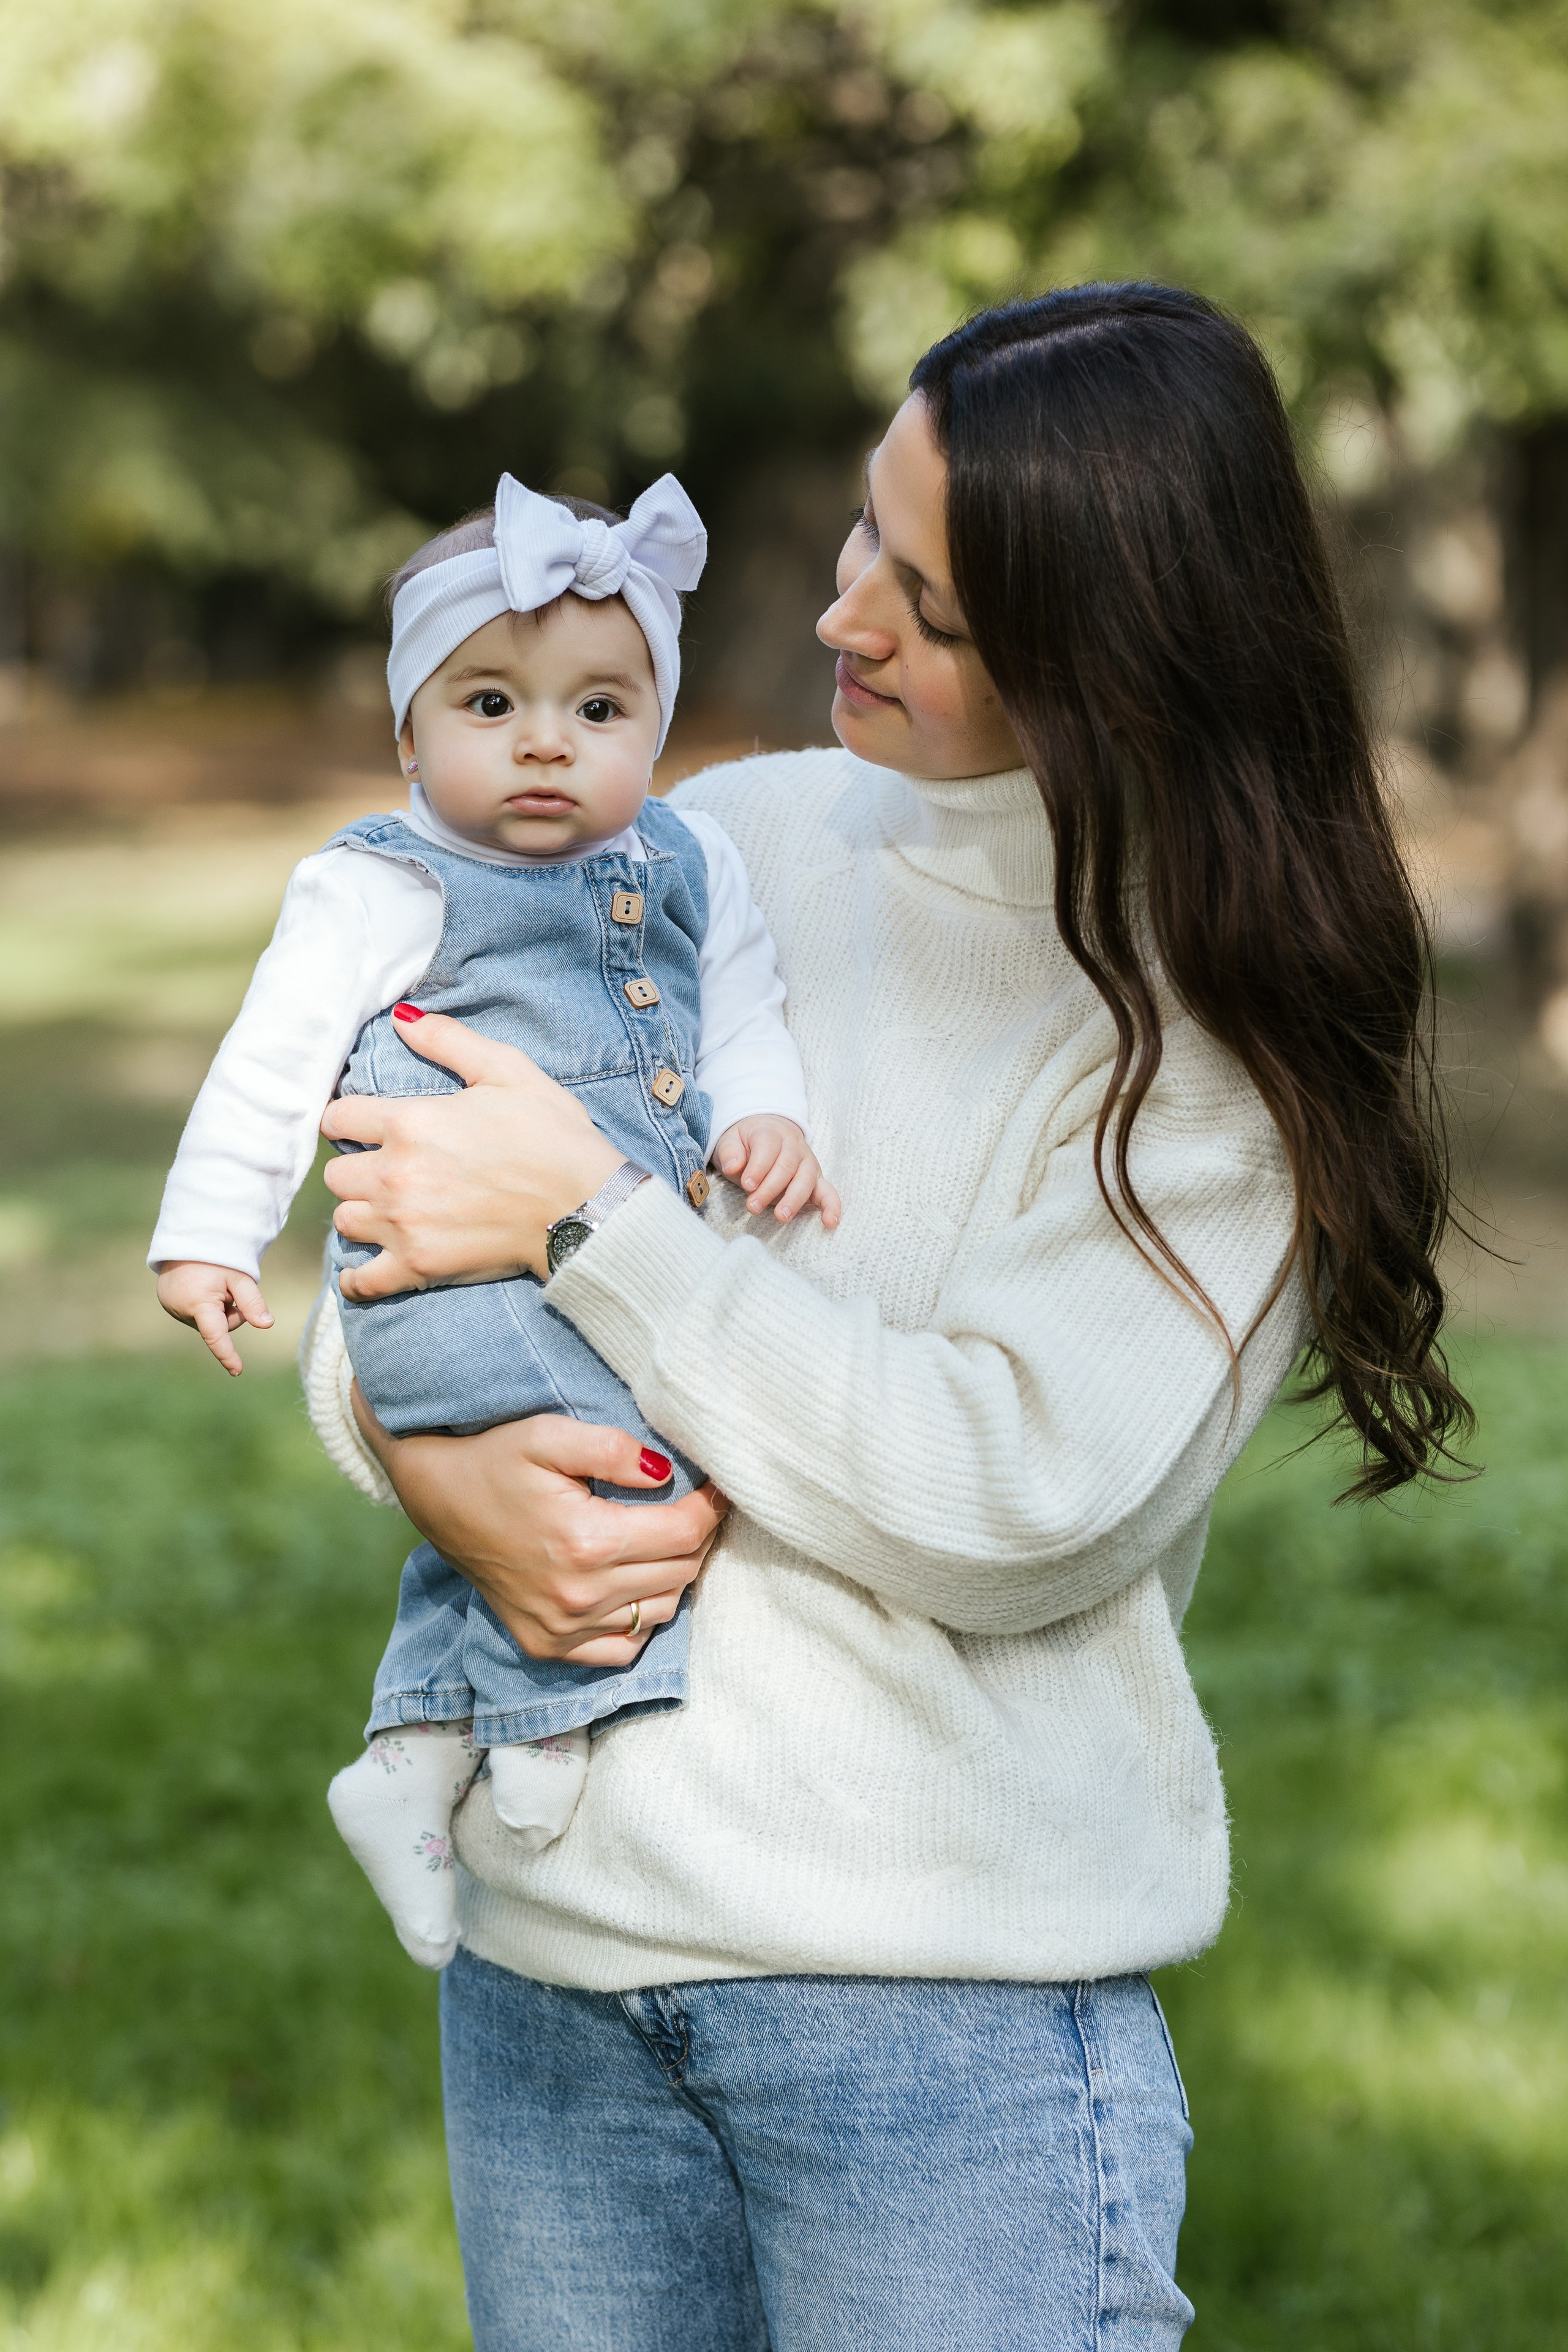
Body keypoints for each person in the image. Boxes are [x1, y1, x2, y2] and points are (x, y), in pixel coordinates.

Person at [303, 285, 1468, 2350]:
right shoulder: (700, 857)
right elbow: (393, 1229)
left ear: (1116, 652)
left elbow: (1008, 1498)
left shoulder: (1198, 1052)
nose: (843, 620)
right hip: (551, 1982)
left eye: (931, 604)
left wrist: (601, 1229)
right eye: (866, 535)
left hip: (937, 2046)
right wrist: (437, 1465)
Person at [148, 470, 836, 1971]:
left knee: (581, 1463)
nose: (545, 742)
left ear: (655, 729)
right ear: (407, 733)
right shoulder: (379, 884)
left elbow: (744, 1015)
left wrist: (765, 1115)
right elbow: (269, 1062)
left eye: (600, 710)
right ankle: (538, 1732)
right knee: (615, 1467)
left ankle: (411, 1768)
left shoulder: (692, 859)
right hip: (441, 1281)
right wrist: (208, 1233)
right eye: (488, 705)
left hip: (593, 1252)